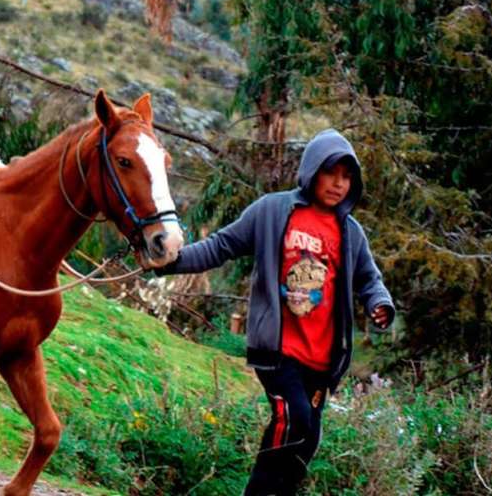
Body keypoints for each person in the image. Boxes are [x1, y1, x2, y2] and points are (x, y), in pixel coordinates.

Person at [157, 128, 395, 495]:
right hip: (280, 352)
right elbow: (222, 245)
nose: (339, 183)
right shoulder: (272, 210)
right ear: (313, 170)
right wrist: (171, 262)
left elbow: (369, 279)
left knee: (306, 442)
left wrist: (379, 303)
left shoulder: (351, 234)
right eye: (331, 172)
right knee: (293, 421)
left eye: (348, 177)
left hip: (321, 361)